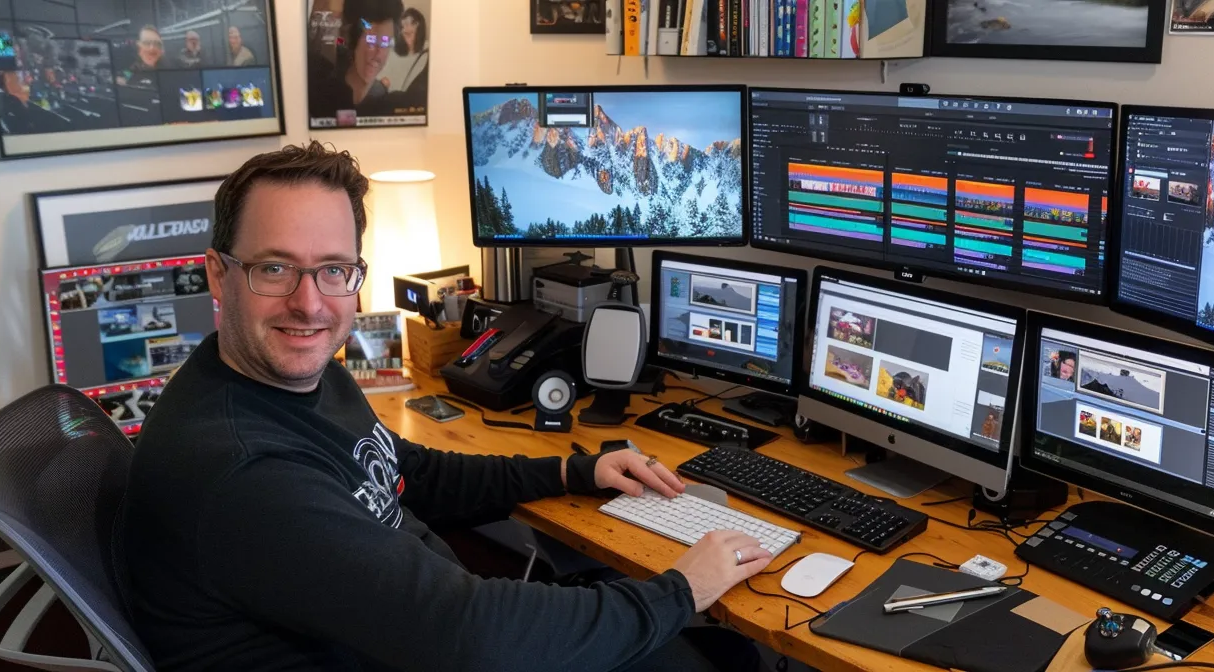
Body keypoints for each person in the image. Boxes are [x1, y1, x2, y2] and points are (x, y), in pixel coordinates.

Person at [119, 142, 773, 671]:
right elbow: (472, 637)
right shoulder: (243, 474)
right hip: (445, 642)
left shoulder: (284, 381)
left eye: (333, 270)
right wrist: (682, 589)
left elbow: (408, 473)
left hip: (422, 630)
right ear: (217, 273)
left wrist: (572, 473)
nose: (310, 304)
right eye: (274, 269)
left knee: (718, 651)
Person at [307, 0, 397, 122]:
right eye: (371, 40)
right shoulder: (319, 89)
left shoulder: (382, 97)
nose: (378, 53)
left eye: (385, 42)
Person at [377, 7, 428, 95]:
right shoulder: (392, 51)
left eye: (411, 33)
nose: (407, 27)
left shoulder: (426, 53)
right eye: (405, 33)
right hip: (388, 97)